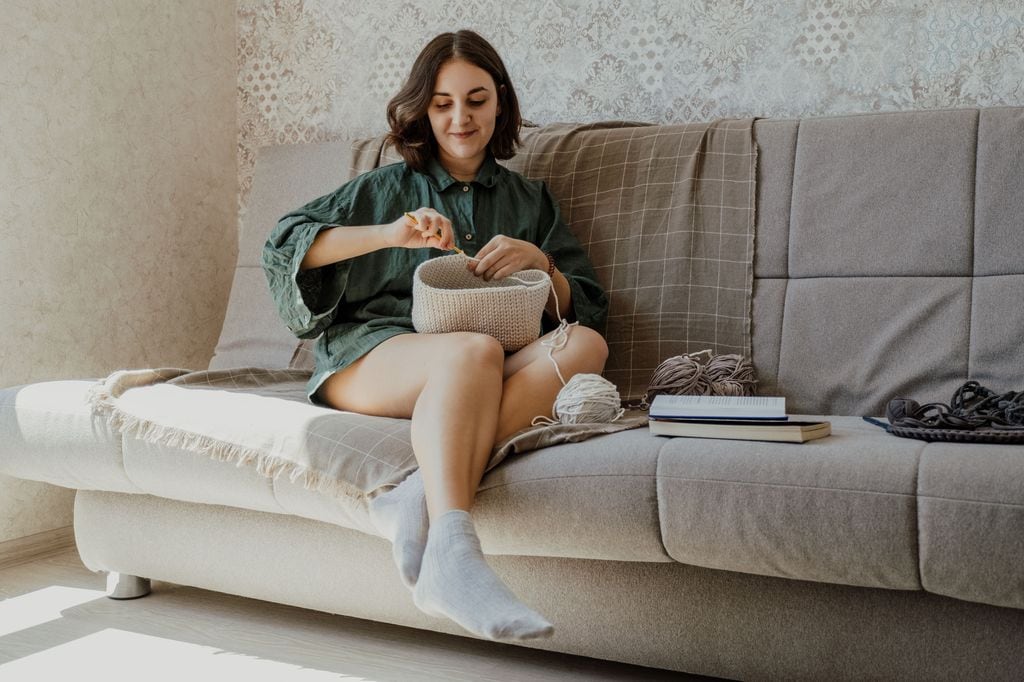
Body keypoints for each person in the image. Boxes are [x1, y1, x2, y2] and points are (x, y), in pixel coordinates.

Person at [262, 29, 609, 642]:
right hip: (371, 354)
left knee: (587, 347)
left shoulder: (529, 201)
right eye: (443, 103)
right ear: (424, 107)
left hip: (479, 363)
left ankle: (418, 492)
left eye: (475, 100)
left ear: (499, 101)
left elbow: (582, 304)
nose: (460, 118)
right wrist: (389, 234)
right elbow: (285, 244)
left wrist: (542, 264)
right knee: (471, 349)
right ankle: (453, 549)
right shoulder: (386, 188)